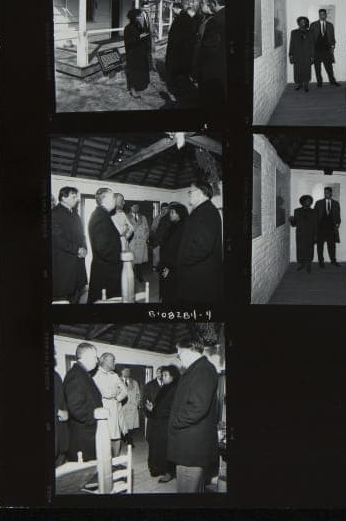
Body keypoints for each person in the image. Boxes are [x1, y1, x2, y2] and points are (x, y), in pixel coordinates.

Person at [168, 334, 220, 493]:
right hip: (191, 444)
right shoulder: (198, 369)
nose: (178, 357)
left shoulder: (202, 370)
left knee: (187, 489)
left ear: (189, 350)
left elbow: (197, 407)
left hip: (191, 448)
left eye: (179, 353)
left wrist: (175, 421)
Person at [176, 182, 223, 305]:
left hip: (200, 275)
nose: (189, 195)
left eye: (190, 192)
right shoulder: (202, 210)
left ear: (201, 192)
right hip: (196, 271)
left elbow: (203, 247)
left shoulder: (207, 212)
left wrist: (183, 261)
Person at [63, 342, 103, 461]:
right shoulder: (75, 375)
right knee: (86, 474)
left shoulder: (83, 373)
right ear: (85, 357)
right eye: (95, 357)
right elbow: (76, 408)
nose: (97, 361)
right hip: (83, 435)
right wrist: (96, 417)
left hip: (88, 432)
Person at [51, 186, 88, 303]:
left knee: (76, 295)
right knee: (63, 298)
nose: (77, 199)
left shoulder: (75, 214)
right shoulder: (54, 214)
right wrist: (78, 249)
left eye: (76, 196)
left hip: (77, 264)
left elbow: (82, 235)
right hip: (64, 265)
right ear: (63, 197)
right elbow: (58, 239)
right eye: (74, 196)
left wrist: (85, 248)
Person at [192, 0, 226, 109]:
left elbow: (208, 50)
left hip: (212, 72)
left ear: (213, 3)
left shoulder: (216, 21)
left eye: (210, 3)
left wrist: (197, 68)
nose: (209, 6)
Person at [146, 365, 181, 483]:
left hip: (167, 424)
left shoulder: (176, 388)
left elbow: (172, 409)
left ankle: (169, 472)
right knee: (157, 447)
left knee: (166, 449)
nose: (163, 377)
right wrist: (152, 408)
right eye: (162, 375)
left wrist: (155, 410)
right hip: (159, 423)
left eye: (165, 375)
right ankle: (159, 468)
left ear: (173, 376)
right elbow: (160, 405)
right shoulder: (165, 387)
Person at [87, 188, 122, 303]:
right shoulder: (101, 217)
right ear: (105, 199)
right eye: (113, 197)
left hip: (105, 267)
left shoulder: (102, 214)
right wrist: (117, 258)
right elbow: (102, 247)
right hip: (106, 270)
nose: (115, 200)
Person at [93, 352, 128, 457]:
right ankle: (106, 462)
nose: (114, 363)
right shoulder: (96, 375)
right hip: (103, 408)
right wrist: (116, 391)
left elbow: (125, 391)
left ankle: (115, 460)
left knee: (116, 435)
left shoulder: (114, 375)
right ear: (104, 361)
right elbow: (106, 393)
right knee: (105, 436)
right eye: (112, 360)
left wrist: (117, 398)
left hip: (115, 407)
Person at [165, 4, 197, 103]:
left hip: (178, 51)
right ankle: (181, 88)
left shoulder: (181, 18)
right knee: (181, 72)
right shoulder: (185, 17)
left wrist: (172, 51)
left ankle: (179, 90)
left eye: (172, 9)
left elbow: (176, 37)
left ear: (175, 8)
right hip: (183, 50)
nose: (172, 10)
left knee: (178, 72)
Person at [158, 202, 188, 303]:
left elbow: (180, 251)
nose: (170, 215)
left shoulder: (183, 228)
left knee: (172, 294)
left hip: (173, 266)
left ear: (179, 214)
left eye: (172, 212)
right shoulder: (174, 225)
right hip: (167, 263)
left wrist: (170, 268)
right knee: (167, 291)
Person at [124, 8, 152, 98]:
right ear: (133, 17)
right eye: (138, 16)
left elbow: (144, 34)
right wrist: (139, 37)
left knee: (139, 71)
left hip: (140, 52)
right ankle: (132, 90)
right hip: (132, 54)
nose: (140, 17)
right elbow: (128, 42)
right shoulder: (128, 28)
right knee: (132, 72)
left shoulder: (138, 25)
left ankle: (139, 85)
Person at [310, 9, 339, 87]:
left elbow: (332, 37)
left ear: (326, 15)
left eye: (323, 14)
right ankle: (319, 82)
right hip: (316, 51)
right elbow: (311, 39)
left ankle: (332, 81)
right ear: (319, 15)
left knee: (329, 68)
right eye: (320, 14)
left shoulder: (330, 25)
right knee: (317, 68)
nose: (322, 16)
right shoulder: (313, 25)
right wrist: (311, 52)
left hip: (327, 51)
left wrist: (332, 47)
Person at [314, 187, 341, 268]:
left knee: (332, 246)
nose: (326, 194)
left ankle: (333, 261)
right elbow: (315, 216)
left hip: (331, 229)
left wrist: (338, 223)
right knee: (320, 246)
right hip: (321, 228)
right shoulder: (318, 203)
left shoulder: (336, 203)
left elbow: (338, 216)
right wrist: (316, 228)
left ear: (331, 193)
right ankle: (321, 262)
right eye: (325, 193)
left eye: (328, 193)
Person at [290, 195, 317, 272]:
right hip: (300, 234)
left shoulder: (314, 211)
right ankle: (302, 264)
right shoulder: (297, 211)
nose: (309, 203)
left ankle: (308, 264)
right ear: (303, 202)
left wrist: (315, 235)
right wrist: (291, 220)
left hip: (310, 234)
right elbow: (294, 224)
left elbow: (316, 224)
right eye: (307, 201)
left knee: (310, 249)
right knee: (300, 249)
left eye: (310, 201)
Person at [288, 16, 315, 92]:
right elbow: (291, 44)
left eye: (304, 22)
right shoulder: (294, 32)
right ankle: (299, 84)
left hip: (307, 55)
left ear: (306, 23)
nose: (302, 23)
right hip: (297, 55)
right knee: (298, 70)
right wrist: (290, 55)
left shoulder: (310, 32)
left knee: (306, 70)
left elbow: (312, 45)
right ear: (298, 23)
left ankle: (306, 85)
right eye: (301, 22)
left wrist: (312, 56)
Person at [128, 204, 150, 285]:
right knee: (132, 261)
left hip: (141, 242)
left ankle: (139, 276)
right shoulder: (127, 217)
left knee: (139, 261)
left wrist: (146, 237)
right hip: (132, 242)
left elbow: (147, 228)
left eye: (137, 206)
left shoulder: (143, 217)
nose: (136, 208)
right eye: (134, 206)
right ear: (130, 207)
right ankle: (131, 278)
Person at [55, 353, 69, 466]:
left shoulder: (56, 375)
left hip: (60, 424)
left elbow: (61, 397)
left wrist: (65, 411)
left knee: (60, 453)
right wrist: (57, 411)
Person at [120, 368, 141, 446]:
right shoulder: (117, 381)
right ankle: (124, 437)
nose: (127, 372)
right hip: (122, 406)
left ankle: (130, 441)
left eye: (128, 371)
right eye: (125, 370)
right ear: (121, 372)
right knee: (122, 424)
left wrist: (137, 403)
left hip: (132, 406)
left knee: (131, 425)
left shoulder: (134, 382)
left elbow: (138, 394)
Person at [149, 203, 171, 270]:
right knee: (156, 254)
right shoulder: (157, 217)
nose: (164, 210)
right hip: (158, 240)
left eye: (166, 209)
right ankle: (155, 267)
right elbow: (152, 229)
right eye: (162, 209)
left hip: (167, 240)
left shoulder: (171, 217)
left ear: (168, 209)